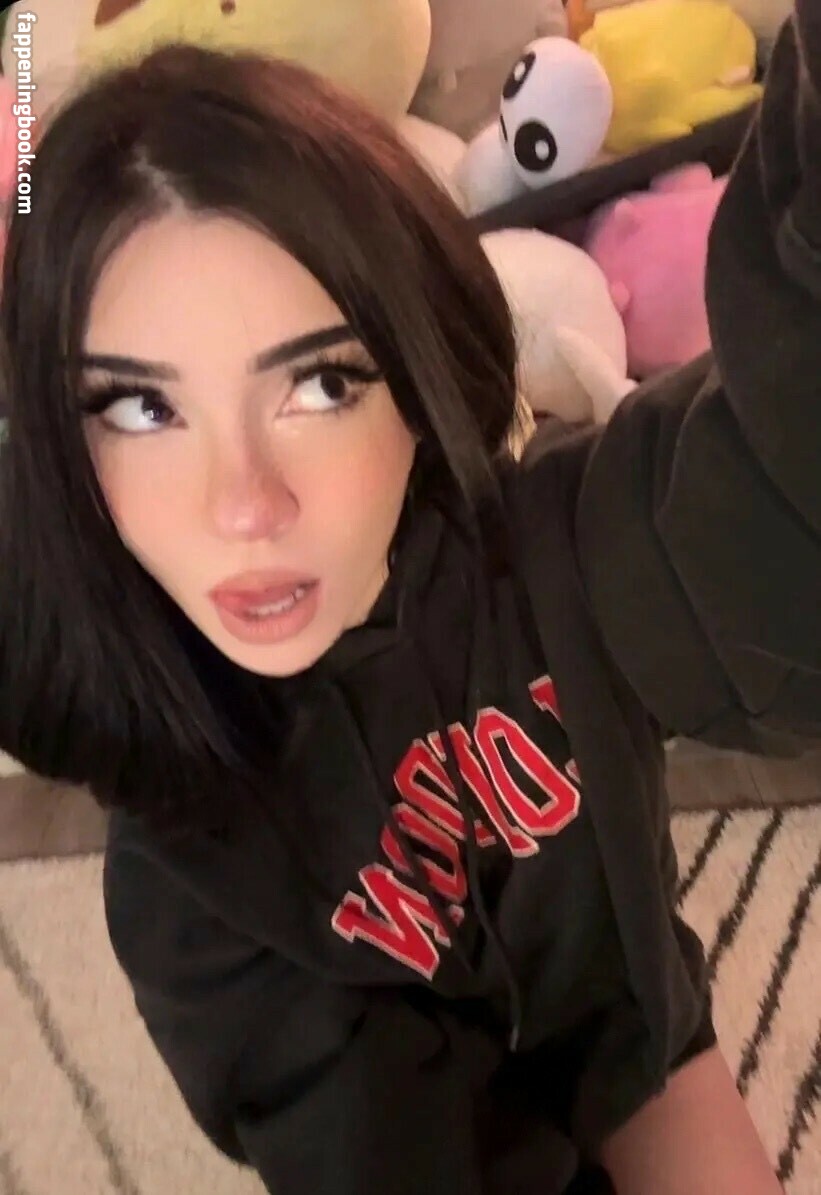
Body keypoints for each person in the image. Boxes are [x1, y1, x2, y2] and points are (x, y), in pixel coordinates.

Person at [0, 2, 818, 1190]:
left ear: (419, 374)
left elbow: (783, 508)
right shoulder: (191, 881)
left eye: (320, 383)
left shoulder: (554, 550)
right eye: (141, 406)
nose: (244, 504)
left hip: (630, 1032)